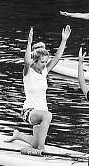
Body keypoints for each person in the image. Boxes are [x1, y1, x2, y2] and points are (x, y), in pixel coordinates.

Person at [5, 25, 72, 156]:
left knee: (34, 142)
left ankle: (18, 135)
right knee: (48, 115)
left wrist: (64, 40)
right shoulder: (28, 72)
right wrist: (29, 43)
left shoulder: (44, 71)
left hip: (40, 114)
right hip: (29, 112)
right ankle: (41, 148)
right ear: (35, 61)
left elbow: (57, 57)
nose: (44, 64)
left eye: (45, 61)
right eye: (42, 62)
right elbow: (26, 61)